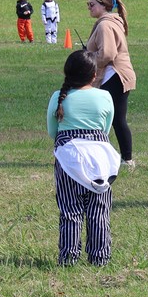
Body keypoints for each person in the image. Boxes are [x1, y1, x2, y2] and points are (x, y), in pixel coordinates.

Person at [47, 50, 116, 266]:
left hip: (68, 160)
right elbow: (105, 129)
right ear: (94, 75)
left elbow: (53, 131)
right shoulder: (105, 96)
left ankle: (68, 258)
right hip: (99, 160)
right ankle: (100, 257)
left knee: (70, 210)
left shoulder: (59, 97)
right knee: (99, 210)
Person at [84, 0, 136, 169]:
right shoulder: (108, 22)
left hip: (115, 76)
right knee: (113, 119)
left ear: (103, 5)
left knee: (113, 119)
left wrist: (88, 59)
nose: (89, 8)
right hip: (115, 75)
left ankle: (126, 159)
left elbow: (107, 53)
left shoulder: (105, 25)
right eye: (87, 5)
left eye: (92, 5)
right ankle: (123, 158)